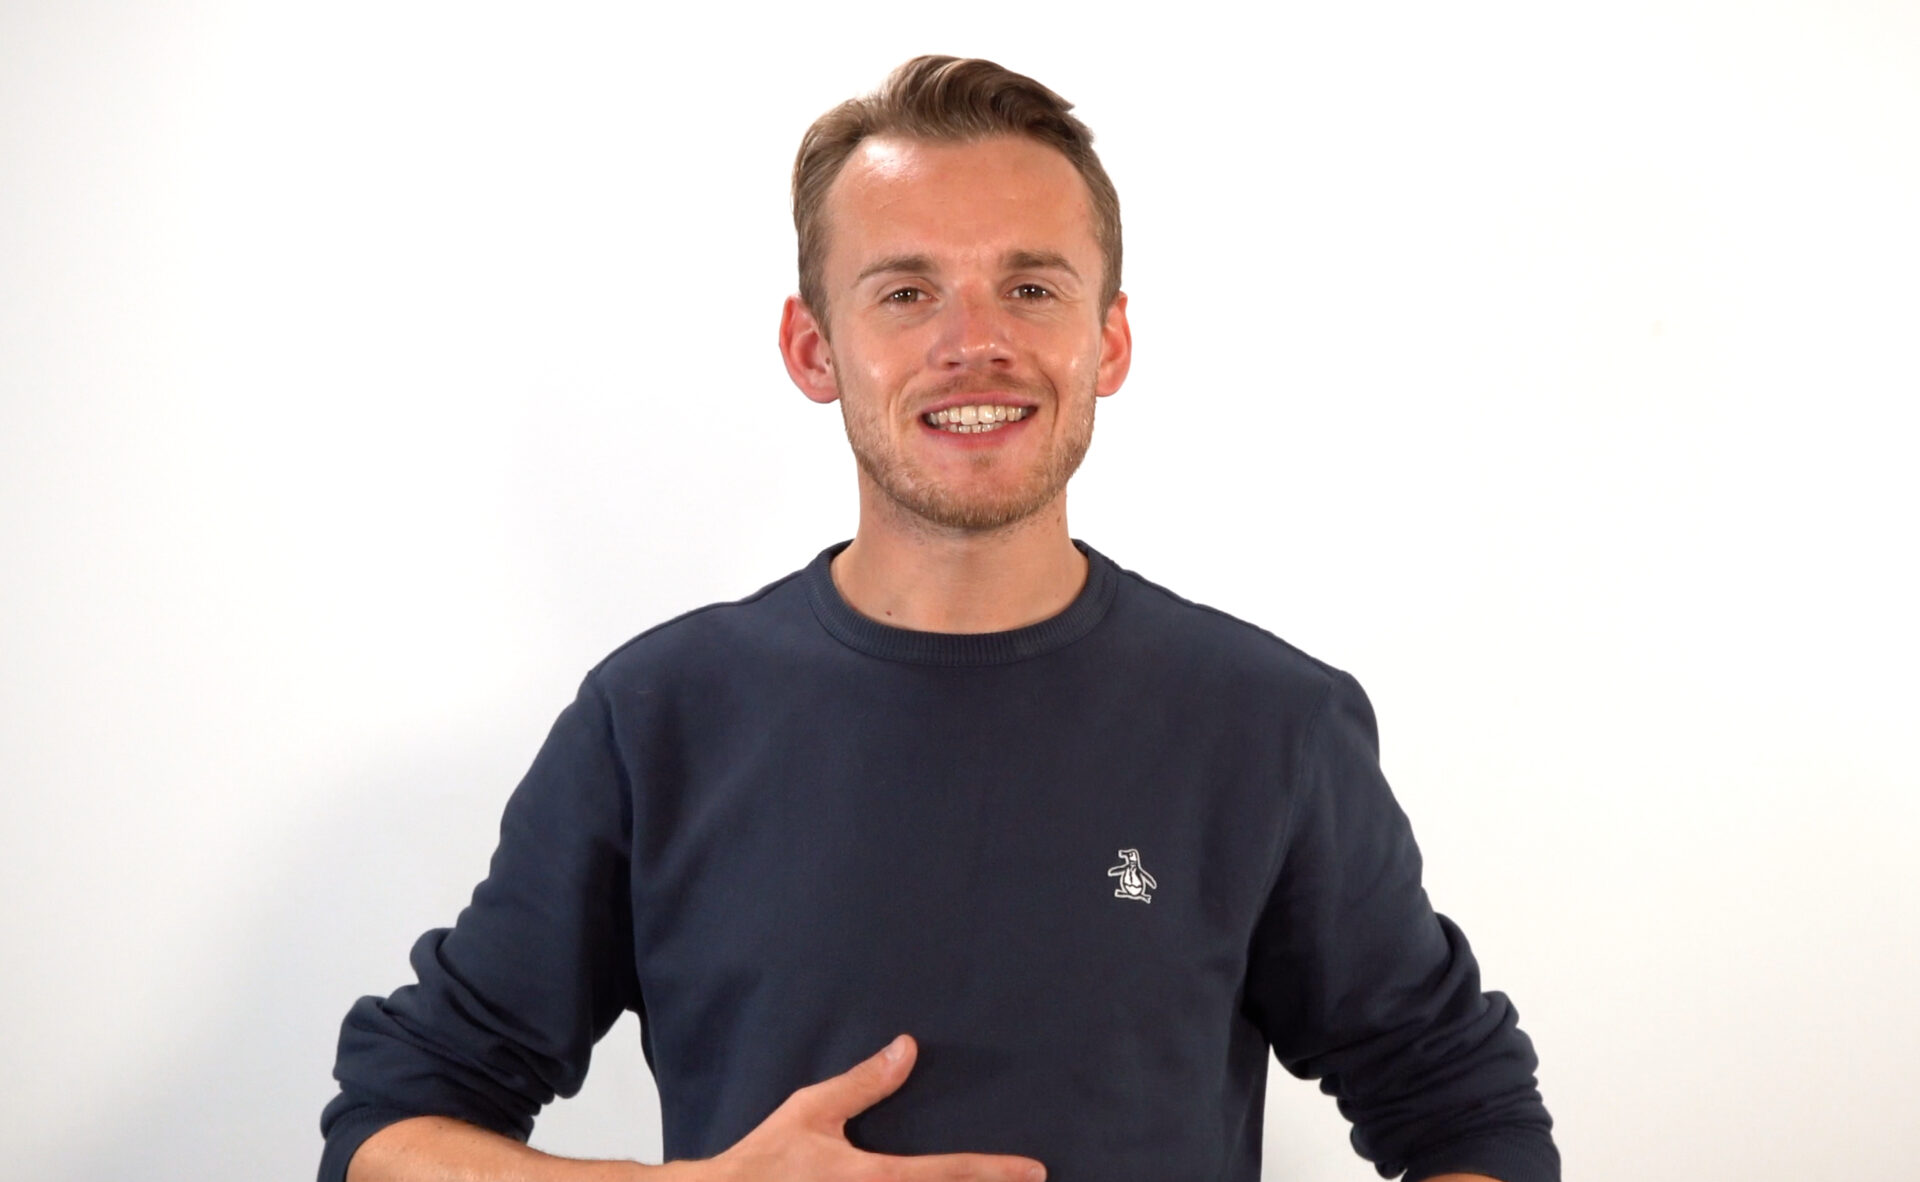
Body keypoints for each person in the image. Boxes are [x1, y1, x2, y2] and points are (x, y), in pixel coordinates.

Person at [321, 54, 1559, 1182]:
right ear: (815, 350)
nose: (977, 344)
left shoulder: (1266, 722)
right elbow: (388, 1134)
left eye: (1030, 285)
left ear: (1109, 339)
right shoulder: (656, 720)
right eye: (907, 293)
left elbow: (1465, 1115)